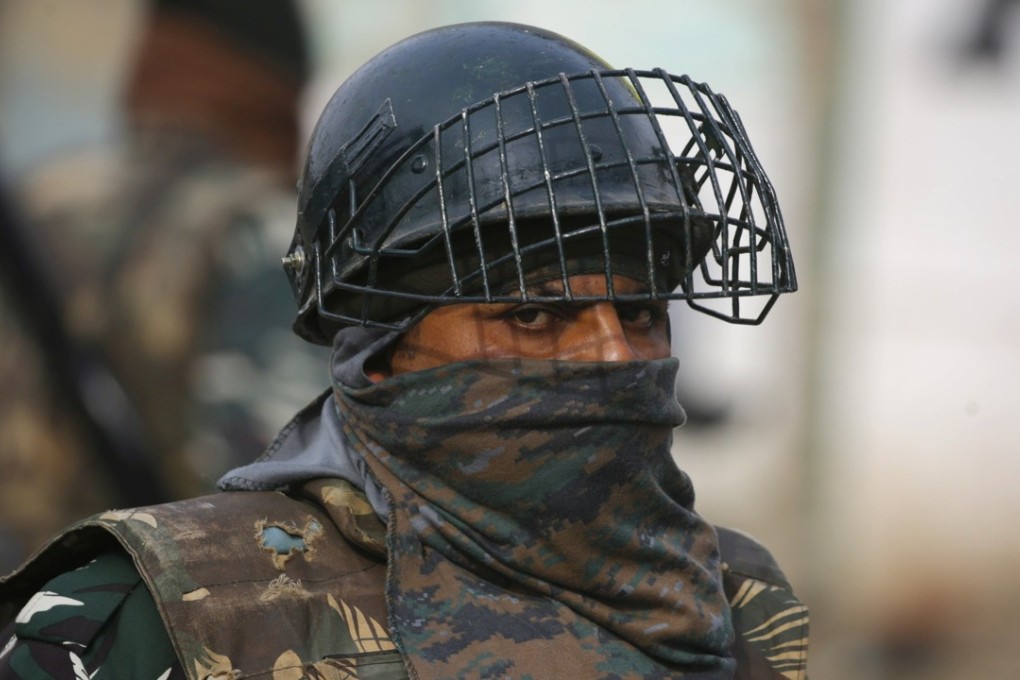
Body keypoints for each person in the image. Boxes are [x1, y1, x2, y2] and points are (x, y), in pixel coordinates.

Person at [0, 22, 808, 680]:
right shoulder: (167, 615)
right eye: (532, 316)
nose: (613, 358)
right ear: (381, 352)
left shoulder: (738, 601)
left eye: (640, 310)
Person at [0, 0, 325, 569]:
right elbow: (286, 520)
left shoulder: (30, 211)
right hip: (128, 644)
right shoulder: (258, 231)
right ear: (278, 103)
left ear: (147, 67)